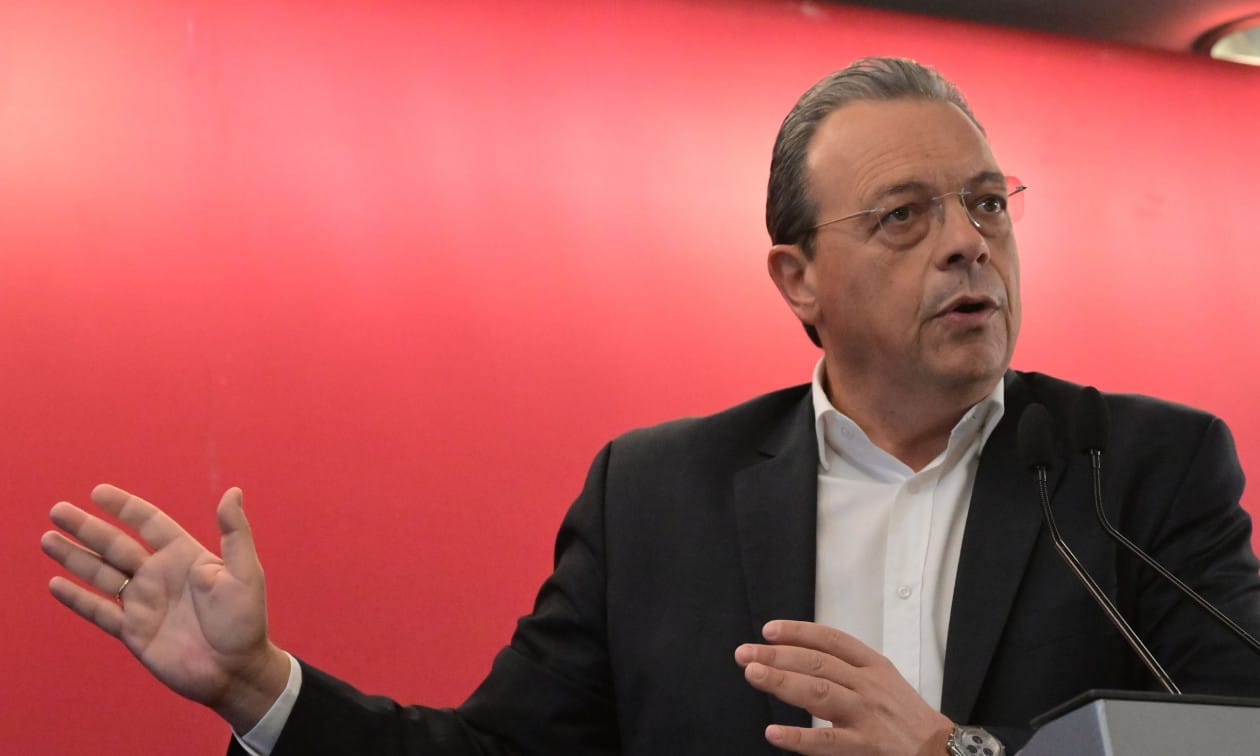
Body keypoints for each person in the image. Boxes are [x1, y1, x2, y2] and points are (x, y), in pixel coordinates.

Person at [41, 57, 1260, 756]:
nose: (967, 244)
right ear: (797, 280)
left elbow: (1235, 739)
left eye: (988, 204)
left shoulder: (1138, 474)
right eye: (906, 216)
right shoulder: (660, 495)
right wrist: (258, 684)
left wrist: (955, 755)